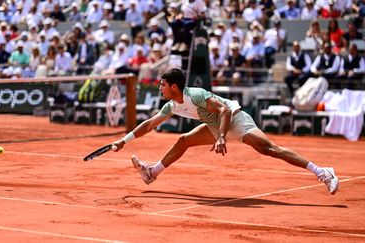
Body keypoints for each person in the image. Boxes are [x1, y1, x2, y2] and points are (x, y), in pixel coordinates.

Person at [111, 68, 339, 195]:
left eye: (162, 85)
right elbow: (148, 125)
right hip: (213, 125)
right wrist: (124, 140)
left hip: (233, 118)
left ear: (174, 87)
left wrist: (221, 136)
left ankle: (322, 171)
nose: (159, 88)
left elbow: (223, 110)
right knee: (183, 141)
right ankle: (152, 174)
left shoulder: (196, 95)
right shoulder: (171, 105)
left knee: (268, 148)